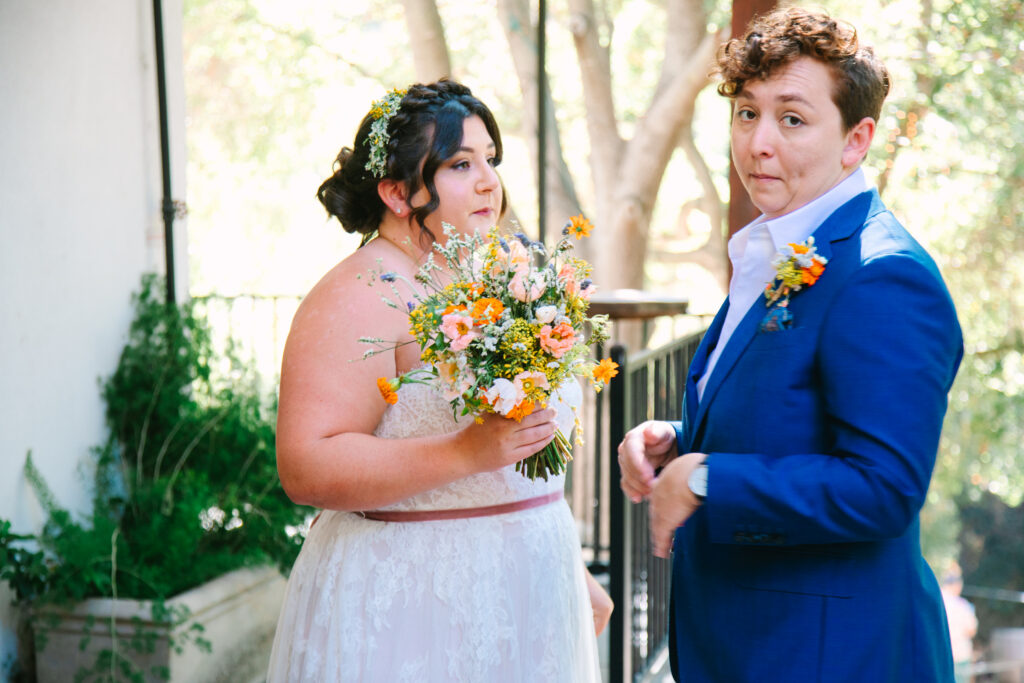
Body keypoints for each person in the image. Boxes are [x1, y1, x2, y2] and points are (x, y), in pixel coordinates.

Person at [617, 8, 963, 681]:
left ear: (856, 140)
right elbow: (790, 415)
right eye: (747, 113)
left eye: (792, 118)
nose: (758, 143)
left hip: (829, 655)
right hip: (749, 647)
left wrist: (711, 480)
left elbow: (885, 486)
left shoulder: (882, 275)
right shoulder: (778, 247)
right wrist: (681, 440)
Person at [266, 80, 609, 682]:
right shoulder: (359, 296)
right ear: (397, 193)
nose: (488, 181)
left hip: (524, 592)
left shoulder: (487, 278)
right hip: (413, 607)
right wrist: (464, 452)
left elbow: (511, 452)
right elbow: (306, 466)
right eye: (460, 164)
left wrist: (573, 571)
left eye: (490, 161)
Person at [941, 563, 978, 682]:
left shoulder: (937, 602)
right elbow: (971, 630)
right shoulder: (963, 606)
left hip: (942, 655)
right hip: (960, 656)